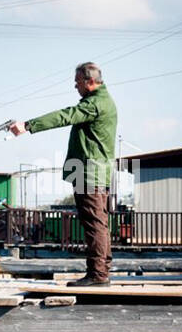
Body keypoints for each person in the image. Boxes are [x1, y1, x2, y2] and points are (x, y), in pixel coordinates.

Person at [10, 61, 117, 286]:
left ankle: (98, 274)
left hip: (89, 173)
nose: (75, 86)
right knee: (100, 224)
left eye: (78, 81)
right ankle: (101, 271)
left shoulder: (94, 104)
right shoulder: (102, 101)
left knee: (94, 225)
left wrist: (28, 125)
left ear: (90, 82)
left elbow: (64, 116)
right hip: (96, 173)